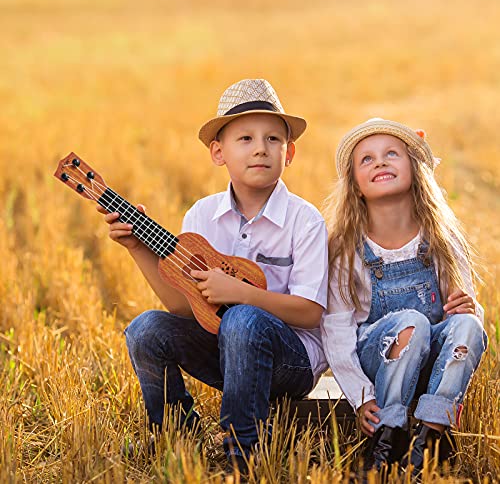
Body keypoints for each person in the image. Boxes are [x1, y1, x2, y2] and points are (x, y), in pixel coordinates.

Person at [97, 79, 329, 472]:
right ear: (218, 153)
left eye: (273, 138)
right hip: (226, 353)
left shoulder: (304, 220)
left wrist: (241, 293)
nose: (260, 148)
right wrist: (137, 247)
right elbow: (183, 307)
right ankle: (177, 438)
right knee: (146, 328)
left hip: (291, 363)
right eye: (245, 139)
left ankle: (244, 452)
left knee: (242, 317)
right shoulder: (201, 217)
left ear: (289, 153)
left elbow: (309, 313)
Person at [321, 118, 487, 475]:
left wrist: (470, 311)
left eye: (391, 154)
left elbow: (465, 312)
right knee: (412, 323)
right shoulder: (348, 248)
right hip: (378, 357)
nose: (379, 162)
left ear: (415, 169)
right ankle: (389, 431)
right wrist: (361, 394)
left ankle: (432, 434)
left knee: (469, 325)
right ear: (356, 186)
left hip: (428, 363)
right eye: (366, 159)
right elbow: (335, 328)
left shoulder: (441, 238)